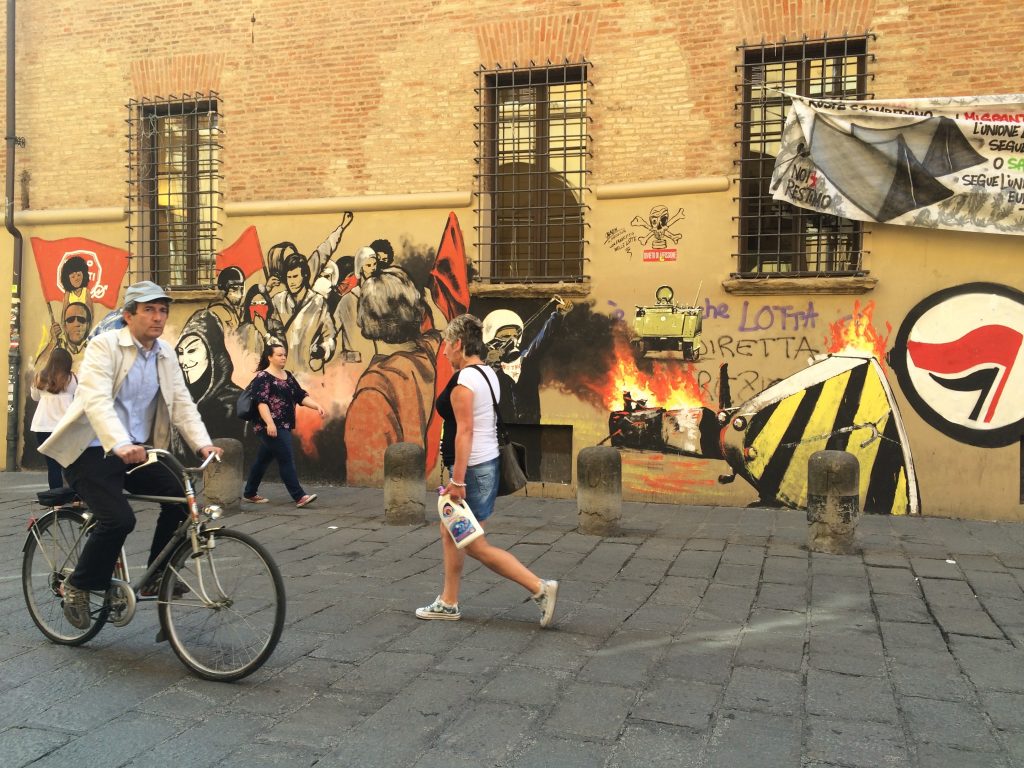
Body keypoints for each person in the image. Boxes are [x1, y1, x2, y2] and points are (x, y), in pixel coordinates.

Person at [39, 281, 224, 630]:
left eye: (163, 310)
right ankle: (78, 585)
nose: (158, 317)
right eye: (149, 310)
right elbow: (96, 400)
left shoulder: (165, 353)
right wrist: (119, 442)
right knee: (119, 519)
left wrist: (203, 443)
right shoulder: (104, 346)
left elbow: (181, 402)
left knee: (180, 497)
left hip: (137, 450)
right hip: (91, 450)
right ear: (128, 316)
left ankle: (157, 575)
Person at [415, 314, 559, 627]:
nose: (444, 352)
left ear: (457, 344)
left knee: (473, 543)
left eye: (446, 345)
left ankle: (539, 587)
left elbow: (465, 431)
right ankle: (448, 601)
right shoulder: (487, 374)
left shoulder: (465, 381)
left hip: (472, 470)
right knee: (451, 531)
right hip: (485, 464)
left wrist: (457, 480)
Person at [242, 342, 325, 507]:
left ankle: (249, 492)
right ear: (270, 357)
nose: (283, 357)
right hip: (270, 426)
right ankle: (299, 496)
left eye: (285, 355)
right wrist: (270, 423)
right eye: (279, 355)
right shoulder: (263, 377)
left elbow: (300, 395)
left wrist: (316, 406)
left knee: (262, 460)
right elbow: (261, 402)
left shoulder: (287, 375)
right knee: (286, 458)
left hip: (284, 424)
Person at [29, 347, 77, 489]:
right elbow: (78, 396)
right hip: (65, 426)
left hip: (43, 426)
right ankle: (74, 496)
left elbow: (35, 397)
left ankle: (56, 498)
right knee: (69, 463)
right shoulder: (72, 379)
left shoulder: (39, 377)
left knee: (52, 465)